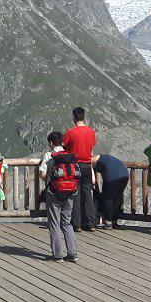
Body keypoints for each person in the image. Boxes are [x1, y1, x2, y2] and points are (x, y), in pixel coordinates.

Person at [38, 130, 80, 262]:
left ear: (51, 143)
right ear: (62, 142)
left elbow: (43, 174)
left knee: (55, 223)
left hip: (54, 192)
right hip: (70, 192)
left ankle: (57, 255)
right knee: (67, 223)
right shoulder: (70, 155)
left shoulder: (49, 155)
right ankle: (72, 253)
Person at [63, 107, 98, 231]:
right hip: (87, 165)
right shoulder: (91, 132)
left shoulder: (71, 132)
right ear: (84, 117)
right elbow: (92, 149)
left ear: (73, 118)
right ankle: (90, 222)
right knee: (87, 193)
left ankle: (76, 224)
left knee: (75, 194)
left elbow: (65, 148)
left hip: (74, 166)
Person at [94, 149, 129, 228]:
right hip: (125, 175)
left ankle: (108, 221)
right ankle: (114, 221)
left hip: (112, 176)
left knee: (108, 199)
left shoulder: (96, 161)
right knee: (117, 198)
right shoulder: (107, 158)